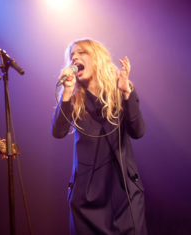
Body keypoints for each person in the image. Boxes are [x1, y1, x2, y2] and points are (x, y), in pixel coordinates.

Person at [51, 38, 147, 235]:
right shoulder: (74, 99)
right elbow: (58, 132)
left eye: (81, 53)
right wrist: (67, 92)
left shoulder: (121, 90)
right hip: (86, 198)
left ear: (97, 59)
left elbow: (138, 131)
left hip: (124, 194)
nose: (74, 58)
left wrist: (126, 94)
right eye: (72, 56)